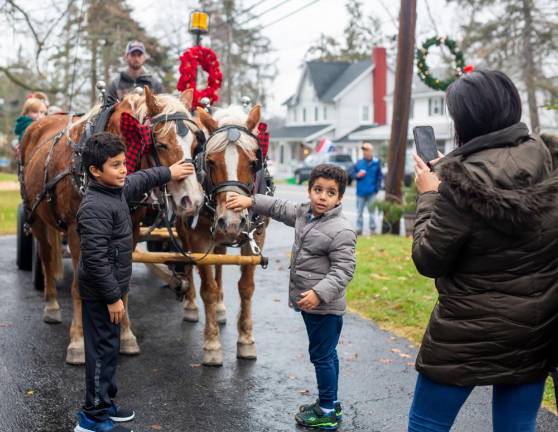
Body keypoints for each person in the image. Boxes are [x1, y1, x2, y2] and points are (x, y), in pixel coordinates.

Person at [409, 69, 558, 432]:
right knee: (518, 426)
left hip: (464, 332)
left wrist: (430, 194)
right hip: (536, 327)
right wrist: (449, 172)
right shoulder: (550, 158)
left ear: (466, 119)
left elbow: (428, 259)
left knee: (426, 425)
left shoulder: (459, 186)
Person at [74, 132, 193, 432]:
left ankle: (105, 402)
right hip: (102, 293)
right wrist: (114, 297)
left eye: (123, 162)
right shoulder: (94, 208)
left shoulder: (114, 192)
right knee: (100, 353)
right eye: (115, 165)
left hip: (111, 289)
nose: (123, 169)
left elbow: (140, 179)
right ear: (95, 172)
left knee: (109, 347)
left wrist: (169, 172)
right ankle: (91, 419)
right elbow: (95, 260)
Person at [227, 164, 356, 431]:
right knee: (327, 355)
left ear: (340, 198)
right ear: (309, 191)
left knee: (322, 356)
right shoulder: (304, 213)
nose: (322, 196)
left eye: (330, 192)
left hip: (324, 306)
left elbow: (344, 270)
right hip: (312, 303)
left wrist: (319, 294)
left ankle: (328, 411)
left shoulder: (341, 229)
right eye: (318, 190)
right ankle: (329, 401)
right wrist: (250, 200)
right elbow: (277, 206)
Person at [352, 143, 382, 235]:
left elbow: (379, 177)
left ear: (371, 151)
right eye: (364, 150)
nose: (365, 152)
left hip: (371, 192)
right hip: (360, 192)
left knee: (372, 212)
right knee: (359, 212)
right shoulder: (359, 162)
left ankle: (373, 229)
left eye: (367, 150)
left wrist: (376, 188)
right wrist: (357, 175)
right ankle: (359, 229)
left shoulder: (376, 163)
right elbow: (352, 174)